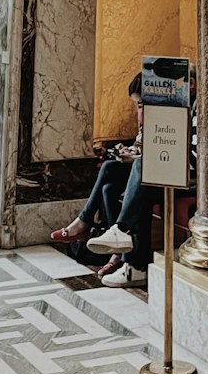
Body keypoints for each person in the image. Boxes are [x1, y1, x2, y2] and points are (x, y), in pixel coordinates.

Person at [87, 66, 197, 287]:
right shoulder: (173, 110)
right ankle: (127, 256)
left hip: (194, 179)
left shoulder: (199, 109)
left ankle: (126, 247)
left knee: (142, 168)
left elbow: (196, 159)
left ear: (191, 85)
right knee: (112, 182)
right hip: (177, 172)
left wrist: (151, 156)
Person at [50, 73, 143, 278]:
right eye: (137, 106)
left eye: (142, 105)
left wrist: (134, 158)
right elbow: (140, 147)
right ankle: (116, 253)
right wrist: (127, 151)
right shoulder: (146, 121)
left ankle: (83, 222)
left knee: (108, 168)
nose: (139, 111)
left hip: (151, 171)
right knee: (108, 189)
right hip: (140, 167)